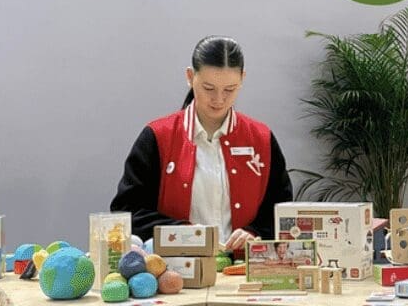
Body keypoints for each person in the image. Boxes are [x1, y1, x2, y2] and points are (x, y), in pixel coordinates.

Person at [111, 36, 293, 252]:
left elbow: (282, 211)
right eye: (208, 88)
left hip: (243, 267)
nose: (219, 99)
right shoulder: (158, 136)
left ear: (242, 79)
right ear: (190, 77)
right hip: (175, 266)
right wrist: (185, 234)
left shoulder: (261, 139)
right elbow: (126, 213)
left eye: (230, 89)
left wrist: (254, 232)